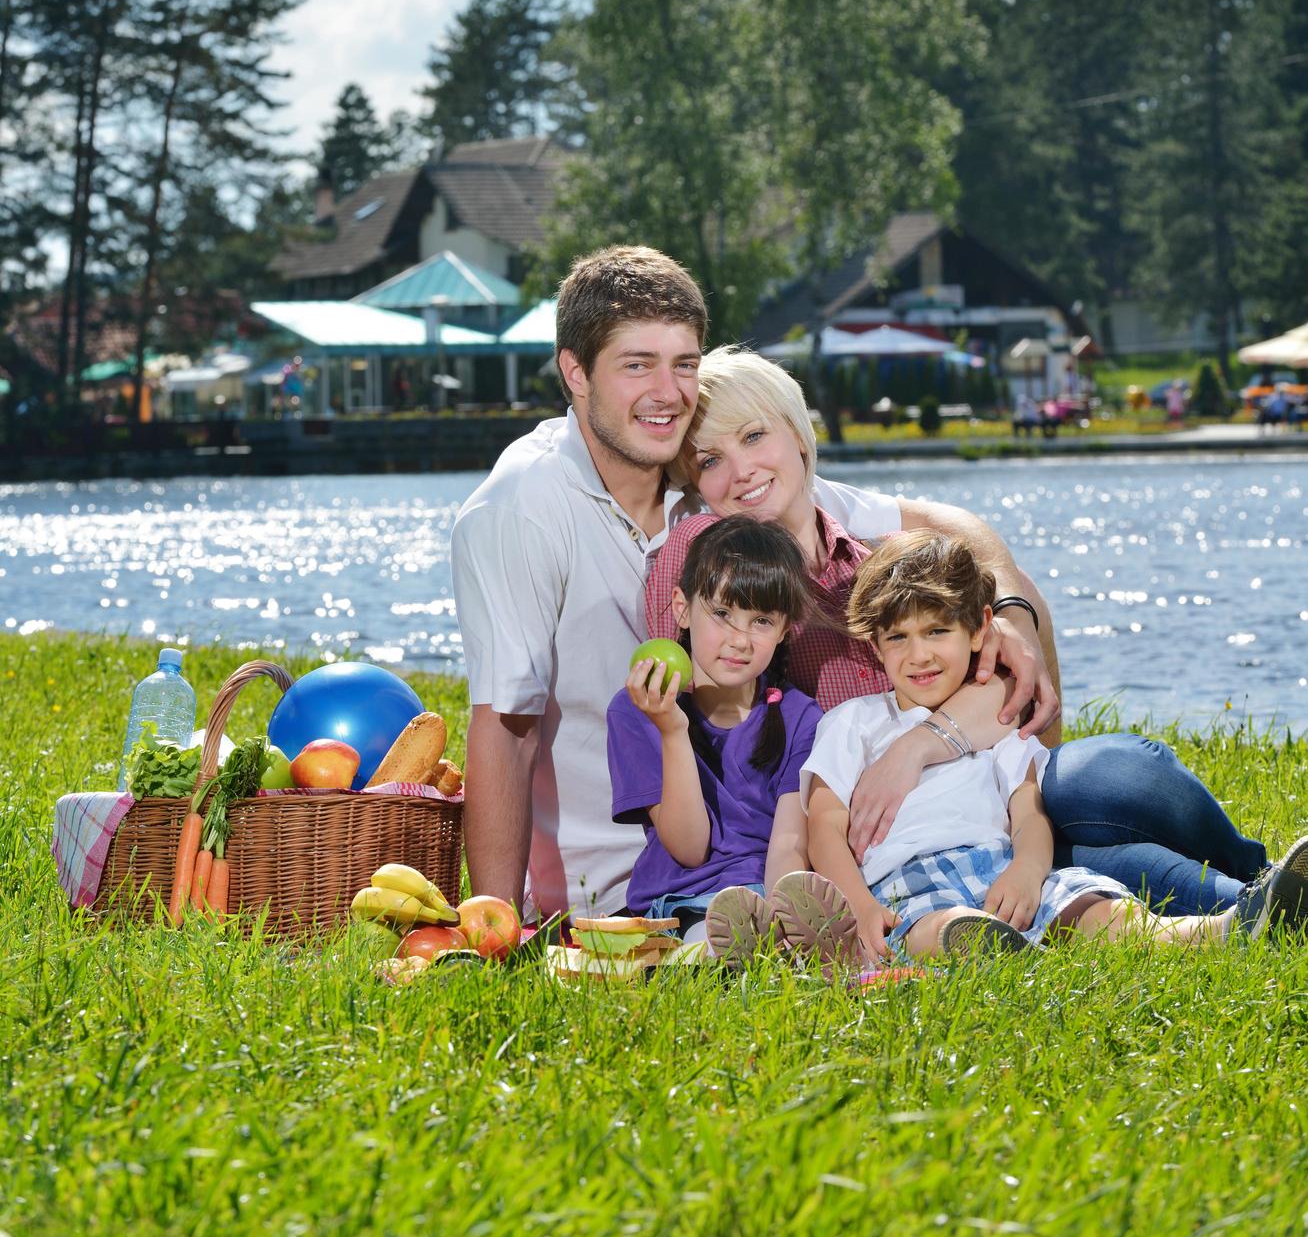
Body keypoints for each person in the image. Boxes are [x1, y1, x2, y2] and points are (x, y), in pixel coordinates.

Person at [453, 250, 1058, 922]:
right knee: (1113, 801)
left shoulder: (715, 498)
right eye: (636, 365)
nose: (667, 391)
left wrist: (1010, 612)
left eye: (683, 363)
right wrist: (492, 925)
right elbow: (506, 724)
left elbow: (949, 524)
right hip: (633, 873)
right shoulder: (526, 507)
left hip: (869, 830)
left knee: (1119, 782)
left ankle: (1116, 872)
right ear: (575, 373)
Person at [648, 344, 1270, 917]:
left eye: (755, 435)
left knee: (1106, 780)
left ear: (800, 435)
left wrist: (920, 741)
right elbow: (694, 707)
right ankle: (1254, 900)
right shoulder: (705, 559)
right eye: (709, 460)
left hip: (977, 789)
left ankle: (1258, 880)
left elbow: (999, 668)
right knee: (1086, 841)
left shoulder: (873, 561)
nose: (740, 471)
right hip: (877, 843)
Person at [794, 532, 1308, 964]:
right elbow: (824, 825)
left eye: (937, 631)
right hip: (908, 877)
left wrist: (1026, 869)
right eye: (898, 638)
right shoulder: (854, 722)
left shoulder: (993, 720)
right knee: (936, 925)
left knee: (1095, 907)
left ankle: (1222, 930)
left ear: (978, 629)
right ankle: (975, 946)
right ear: (875, 644)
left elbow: (1029, 814)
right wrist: (857, 904)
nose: (919, 654)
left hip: (996, 864)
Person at [607, 517, 820, 944]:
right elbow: (689, 849)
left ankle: (780, 940)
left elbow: (787, 846)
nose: (740, 640)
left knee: (774, 920)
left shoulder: (800, 716)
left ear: (783, 631)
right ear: (683, 609)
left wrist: (783, 912)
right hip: (681, 901)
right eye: (722, 613)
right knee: (709, 933)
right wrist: (672, 731)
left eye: (761, 621)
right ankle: (728, 946)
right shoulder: (637, 712)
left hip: (766, 893)